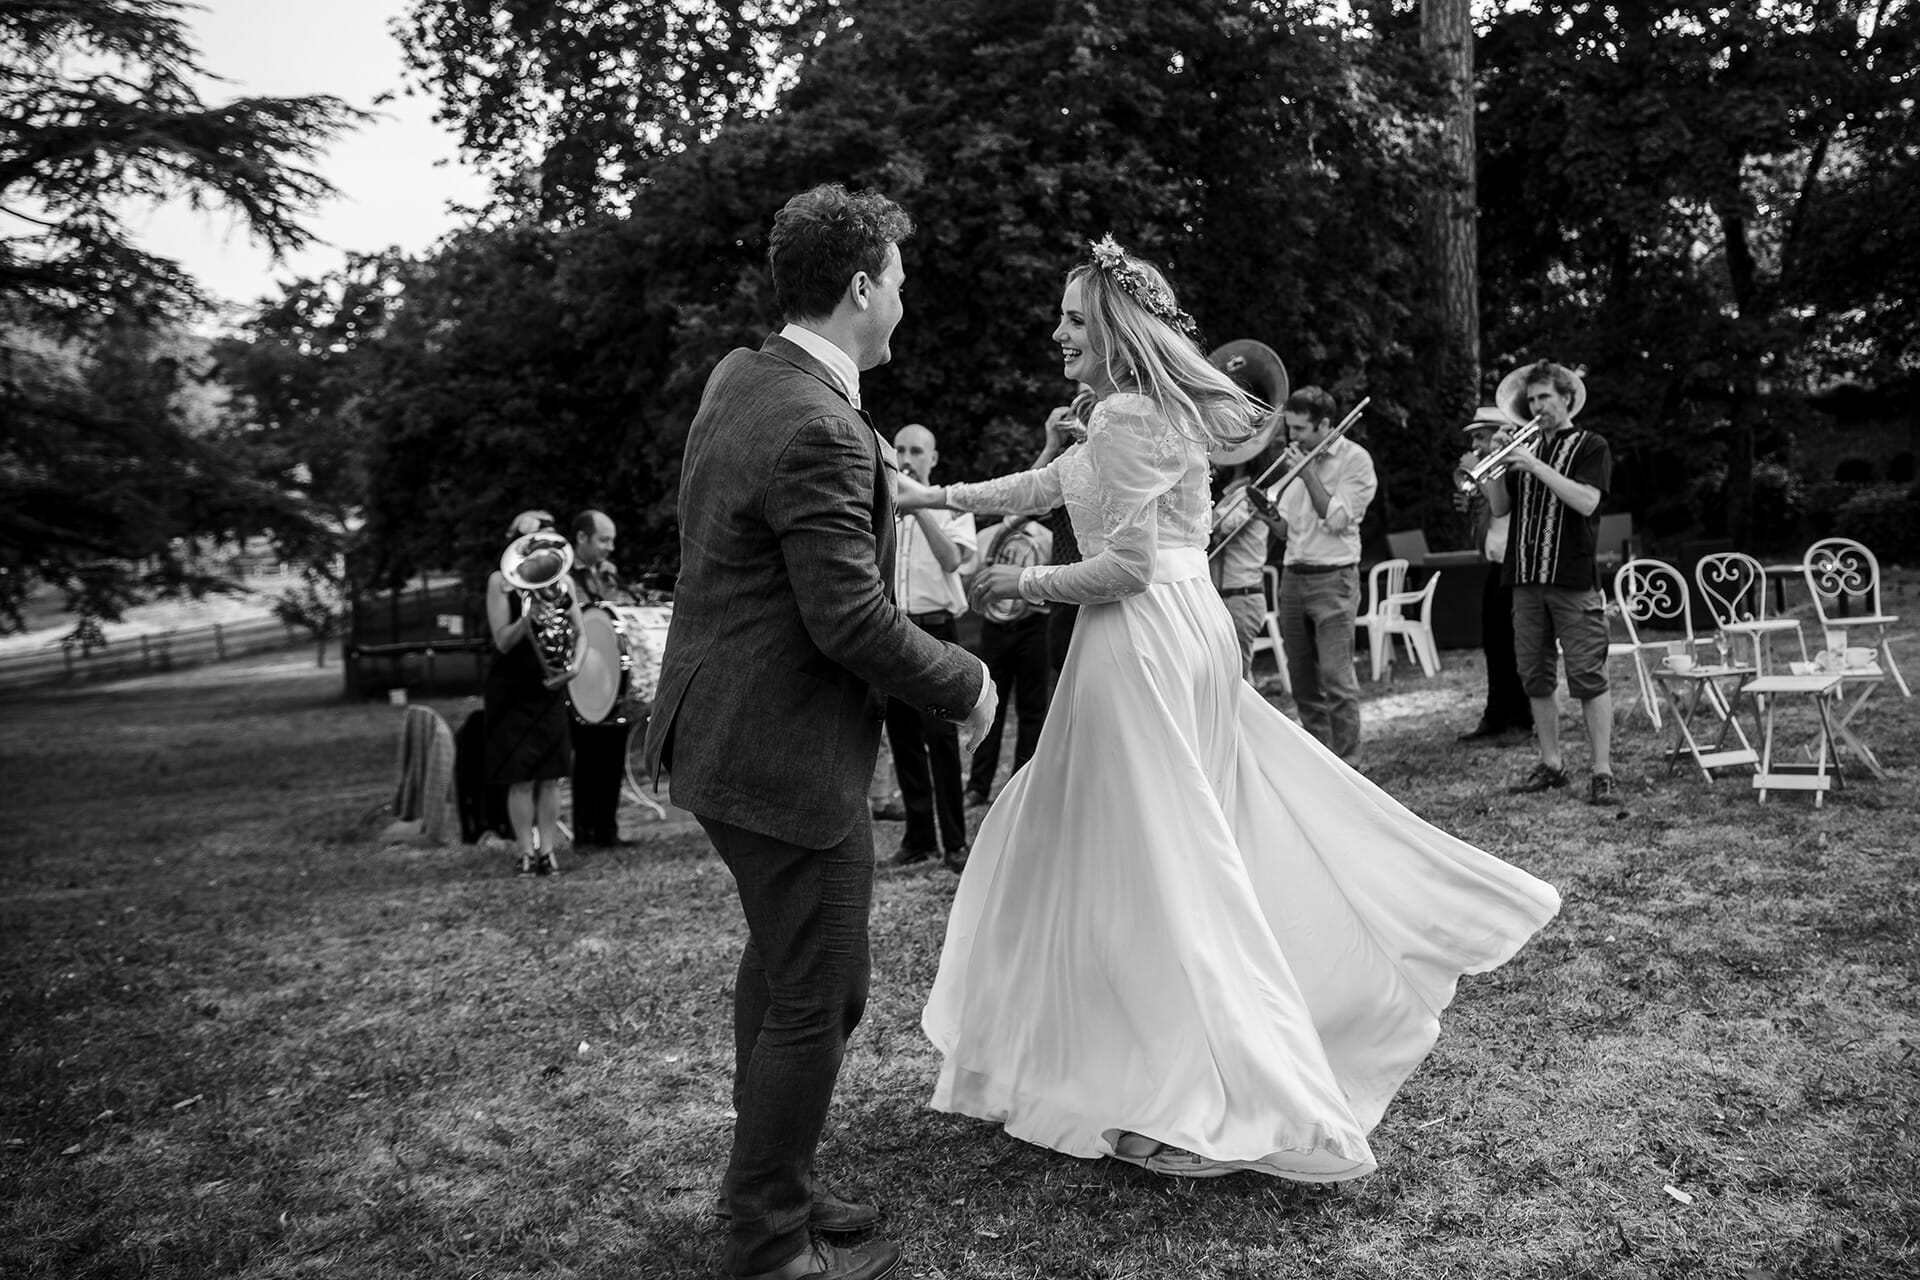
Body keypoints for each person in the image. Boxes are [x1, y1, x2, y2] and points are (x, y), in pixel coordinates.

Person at [896, 235, 1559, 1183]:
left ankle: (1208, 1092)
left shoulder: (1129, 415)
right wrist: (932, 491)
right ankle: (1137, 1058)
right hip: (1183, 628)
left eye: (1074, 319)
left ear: (1119, 330)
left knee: (1165, 862)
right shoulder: (1141, 413)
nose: (1058, 333)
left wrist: (1019, 581)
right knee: (1157, 845)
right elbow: (1053, 484)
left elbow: (1122, 567)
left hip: (1140, 641)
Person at [641, 183, 993, 1280]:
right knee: (818, 990)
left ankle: (776, 1183)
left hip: (716, 730)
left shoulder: (746, 376)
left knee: (787, 969)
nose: (904, 299)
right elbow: (847, 618)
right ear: (859, 287)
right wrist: (969, 682)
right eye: (897, 280)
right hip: (780, 753)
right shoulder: (815, 423)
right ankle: (766, 1245)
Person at [1483, 359, 1616, 805]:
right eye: (1533, 399)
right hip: (1523, 576)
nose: (1538, 406)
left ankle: (1602, 770)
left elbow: (1586, 501)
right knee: (1535, 675)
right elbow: (1500, 509)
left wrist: (1534, 465)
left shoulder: (1590, 445)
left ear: (1566, 399)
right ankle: (1552, 763)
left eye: (1545, 398)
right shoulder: (1523, 447)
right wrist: (1496, 468)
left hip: (1572, 577)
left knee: (1587, 675)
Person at [1259, 385, 1377, 763]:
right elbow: (1286, 531)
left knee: (1337, 679)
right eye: (1290, 429)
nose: (1292, 438)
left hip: (1334, 578)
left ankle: (1350, 765)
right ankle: (1323, 765)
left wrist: (1308, 473)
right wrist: (1267, 513)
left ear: (1326, 424)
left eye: (1301, 429)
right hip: (1294, 576)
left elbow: (1338, 520)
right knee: (1302, 682)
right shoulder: (1296, 462)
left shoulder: (1355, 460)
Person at [885, 424, 978, 872]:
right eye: (900, 449)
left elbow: (953, 561)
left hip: (937, 629)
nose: (906, 457)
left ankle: (954, 843)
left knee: (940, 738)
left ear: (933, 459)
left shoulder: (953, 506)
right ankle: (918, 837)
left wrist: (919, 505)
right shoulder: (881, 505)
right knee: (903, 736)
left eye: (916, 451)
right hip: (892, 627)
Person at [484, 509, 585, 876]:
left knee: (551, 773)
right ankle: (525, 852)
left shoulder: (563, 583)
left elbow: (580, 633)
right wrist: (528, 617)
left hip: (549, 688)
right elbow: (502, 641)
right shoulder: (500, 582)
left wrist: (575, 665)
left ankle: (548, 851)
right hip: (511, 688)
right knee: (521, 775)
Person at [1454, 409, 1535, 744]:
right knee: (1494, 642)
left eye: (1480, 437)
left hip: (1517, 564)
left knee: (1514, 645)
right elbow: (1490, 518)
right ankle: (1495, 715)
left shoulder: (1515, 466)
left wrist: (1478, 476)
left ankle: (1519, 719)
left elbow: (1506, 507)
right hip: (1496, 563)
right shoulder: (1490, 470)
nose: (1474, 446)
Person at [963, 513, 1053, 807]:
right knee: (989, 708)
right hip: (995, 629)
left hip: (1033, 628)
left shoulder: (1045, 537)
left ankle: (1023, 782)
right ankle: (978, 786)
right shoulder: (988, 536)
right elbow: (970, 577)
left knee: (1032, 708)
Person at [567, 508, 638, 850]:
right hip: (583, 682)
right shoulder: (564, 576)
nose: (610, 547)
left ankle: (608, 831)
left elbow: (623, 615)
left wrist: (617, 588)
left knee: (612, 756)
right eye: (604, 540)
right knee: (588, 758)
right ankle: (584, 833)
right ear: (582, 538)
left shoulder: (608, 576)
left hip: (613, 681)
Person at [1207, 459, 1274, 679]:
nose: (1214, 462)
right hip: (1229, 596)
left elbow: (1220, 525)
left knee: (1238, 681)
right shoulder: (1233, 495)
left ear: (1241, 462)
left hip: (1241, 597)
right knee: (1229, 678)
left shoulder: (1249, 495)